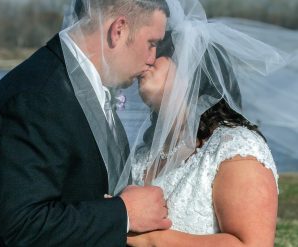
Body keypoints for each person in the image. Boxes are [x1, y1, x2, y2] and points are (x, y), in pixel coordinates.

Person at [0, 0, 172, 246]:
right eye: (151, 43)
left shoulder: (82, 88)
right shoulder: (34, 98)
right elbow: (20, 228)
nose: (152, 58)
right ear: (119, 30)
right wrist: (125, 213)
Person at [118, 0, 298, 246]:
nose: (147, 60)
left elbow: (251, 244)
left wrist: (149, 239)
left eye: (158, 54)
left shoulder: (235, 149)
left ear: (190, 71)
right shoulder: (145, 151)